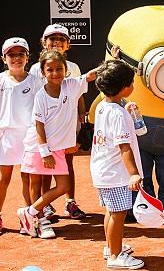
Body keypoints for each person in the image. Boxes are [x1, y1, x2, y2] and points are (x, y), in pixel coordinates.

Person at [18, 50, 97, 239]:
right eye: (50, 70)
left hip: (58, 149)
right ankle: (39, 219)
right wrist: (44, 152)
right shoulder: (40, 96)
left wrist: (114, 59)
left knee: (63, 185)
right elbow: (39, 126)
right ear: (43, 73)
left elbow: (93, 75)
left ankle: (29, 212)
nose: (55, 73)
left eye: (59, 69)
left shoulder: (72, 85)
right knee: (35, 183)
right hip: (39, 146)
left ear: (66, 70)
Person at [29, 24, 87, 220]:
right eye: (52, 38)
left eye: (61, 39)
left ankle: (70, 202)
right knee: (45, 166)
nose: (56, 42)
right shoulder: (36, 68)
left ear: (67, 45)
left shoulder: (74, 68)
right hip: (47, 124)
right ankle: (45, 205)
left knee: (67, 162)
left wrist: (81, 115)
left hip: (68, 124)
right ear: (44, 43)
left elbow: (78, 94)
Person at [92, 60, 144, 269]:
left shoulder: (103, 107)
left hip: (104, 171)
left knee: (111, 212)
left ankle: (110, 247)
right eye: (131, 83)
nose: (133, 86)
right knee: (118, 213)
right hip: (116, 173)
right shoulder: (118, 114)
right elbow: (124, 147)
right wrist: (133, 174)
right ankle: (115, 256)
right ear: (124, 88)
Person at [0, 38, 42, 233]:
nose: (16, 58)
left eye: (20, 54)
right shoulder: (1, 80)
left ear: (27, 57)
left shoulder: (35, 81)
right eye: (11, 54)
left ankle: (30, 218)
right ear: (4, 58)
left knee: (29, 179)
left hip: (29, 136)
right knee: (3, 179)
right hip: (5, 137)